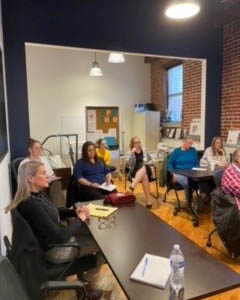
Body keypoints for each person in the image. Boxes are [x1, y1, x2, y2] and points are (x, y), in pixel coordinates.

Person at [5, 161, 103, 299]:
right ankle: (89, 281)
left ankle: (86, 278)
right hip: (56, 250)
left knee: (95, 233)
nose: (48, 176)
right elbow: (60, 237)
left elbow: (55, 212)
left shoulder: (37, 194)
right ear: (31, 178)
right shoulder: (30, 205)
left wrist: (74, 212)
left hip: (59, 238)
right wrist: (80, 219)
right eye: (43, 173)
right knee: (103, 246)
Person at [19, 138, 65, 207]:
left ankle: (60, 208)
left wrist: (52, 177)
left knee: (56, 183)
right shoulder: (25, 163)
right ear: (30, 150)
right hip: (34, 186)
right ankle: (57, 211)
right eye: (36, 148)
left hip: (46, 182)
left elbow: (51, 174)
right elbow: (25, 182)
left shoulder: (44, 159)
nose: (40, 150)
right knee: (46, 188)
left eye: (41, 148)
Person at [167, 136, 199, 200]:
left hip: (192, 172)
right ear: (183, 142)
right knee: (187, 183)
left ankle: (202, 198)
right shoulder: (176, 151)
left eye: (191, 143)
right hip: (180, 173)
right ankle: (189, 202)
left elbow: (197, 163)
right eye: (189, 143)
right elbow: (169, 164)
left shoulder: (193, 150)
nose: (190, 145)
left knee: (204, 181)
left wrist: (198, 171)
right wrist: (173, 173)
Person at [126, 136, 153, 208]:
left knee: (144, 167)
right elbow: (128, 164)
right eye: (136, 143)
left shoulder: (145, 150)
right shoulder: (130, 152)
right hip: (135, 172)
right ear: (132, 144)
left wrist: (148, 163)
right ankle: (148, 201)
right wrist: (132, 153)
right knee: (145, 176)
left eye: (139, 142)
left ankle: (133, 186)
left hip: (146, 169)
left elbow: (151, 161)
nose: (138, 144)